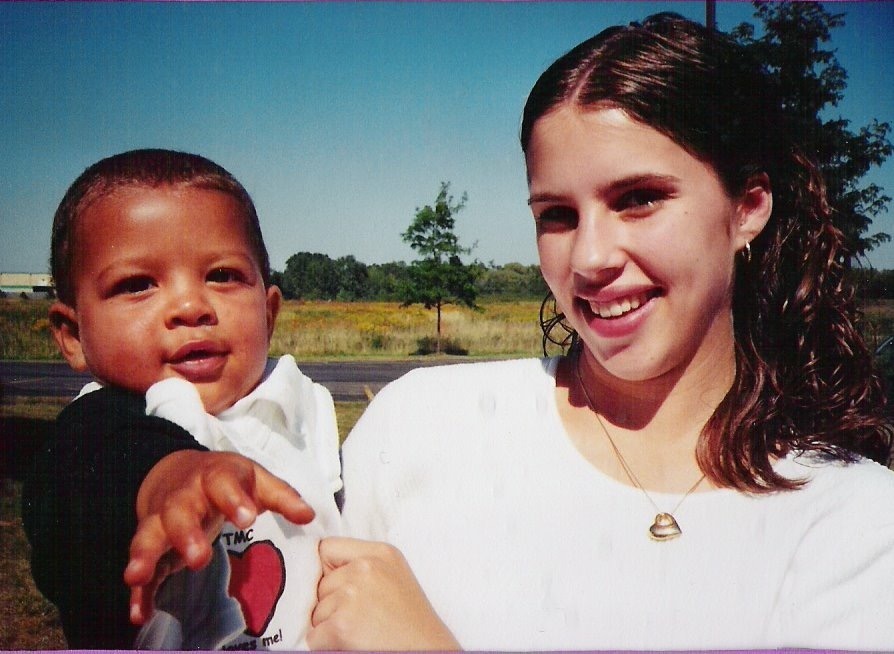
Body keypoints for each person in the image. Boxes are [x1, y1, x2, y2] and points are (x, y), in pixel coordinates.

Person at [33, 13, 894, 650]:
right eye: (557, 214)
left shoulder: (852, 525)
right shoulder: (426, 423)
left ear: (748, 206)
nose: (591, 257)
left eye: (638, 198)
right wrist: (157, 478)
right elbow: (93, 452)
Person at [21, 149, 342, 649]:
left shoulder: (300, 408)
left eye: (222, 275)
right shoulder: (94, 429)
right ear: (73, 335)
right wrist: (168, 481)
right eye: (137, 284)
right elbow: (78, 493)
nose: (192, 306)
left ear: (269, 310)